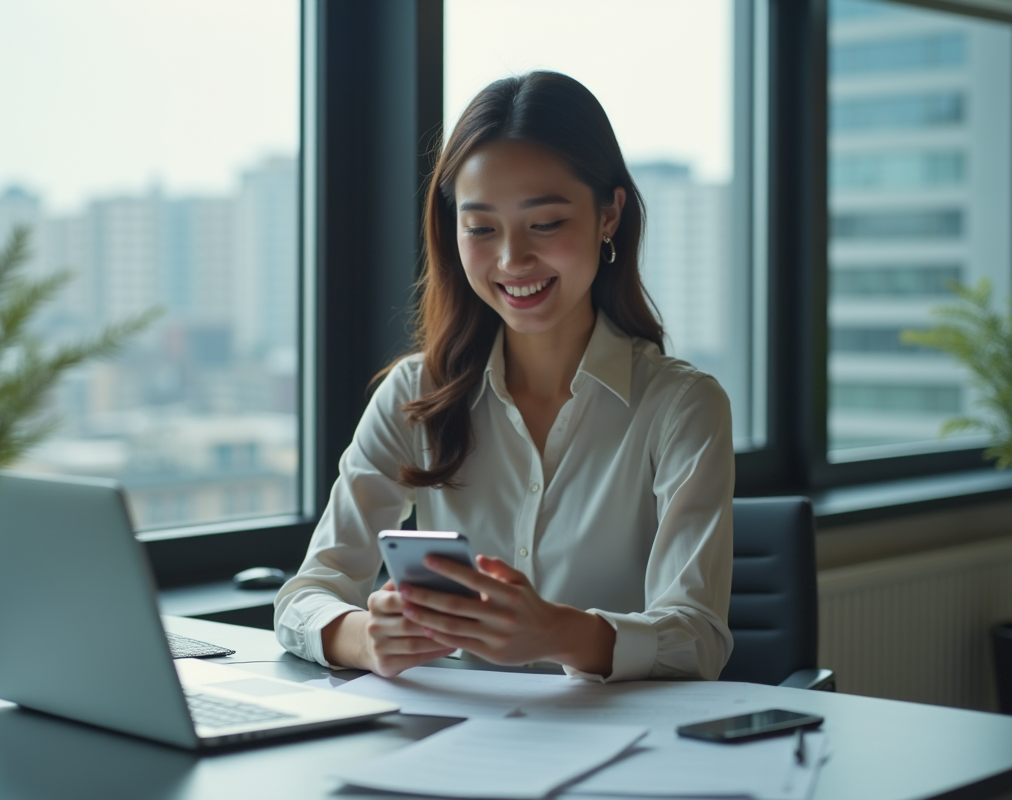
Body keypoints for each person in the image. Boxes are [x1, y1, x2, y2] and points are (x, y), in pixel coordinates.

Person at [274, 70, 734, 683]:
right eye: (482, 228)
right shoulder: (413, 395)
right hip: (449, 745)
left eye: (545, 224)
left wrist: (557, 633)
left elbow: (697, 638)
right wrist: (362, 636)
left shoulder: (682, 407)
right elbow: (306, 594)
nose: (513, 259)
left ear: (609, 214)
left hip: (614, 755)